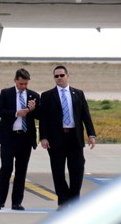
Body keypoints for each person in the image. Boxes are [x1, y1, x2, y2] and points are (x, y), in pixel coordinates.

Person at [39, 65, 97, 208]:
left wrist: (91, 134)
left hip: (74, 138)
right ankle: (63, 203)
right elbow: (43, 119)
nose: (59, 78)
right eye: (56, 76)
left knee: (77, 170)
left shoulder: (78, 94)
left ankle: (74, 199)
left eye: (61, 75)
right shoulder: (47, 96)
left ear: (67, 76)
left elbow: (85, 115)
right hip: (56, 139)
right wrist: (43, 137)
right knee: (58, 172)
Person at [0, 68, 39, 211]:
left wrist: (33, 110)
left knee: (21, 171)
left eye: (25, 84)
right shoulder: (6, 93)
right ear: (15, 80)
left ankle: (17, 202)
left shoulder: (33, 96)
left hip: (25, 138)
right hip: (9, 138)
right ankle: (0, 201)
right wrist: (16, 113)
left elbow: (40, 115)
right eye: (21, 84)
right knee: (6, 169)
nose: (23, 86)